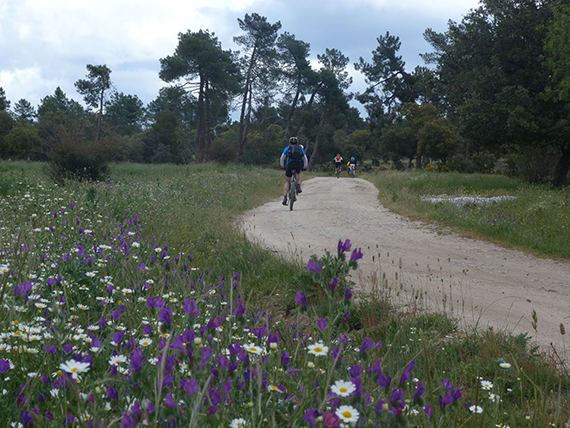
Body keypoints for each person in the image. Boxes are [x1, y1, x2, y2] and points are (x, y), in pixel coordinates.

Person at [280, 136, 308, 206]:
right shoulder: (300, 148)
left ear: (289, 143)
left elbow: (282, 157)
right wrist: (305, 165)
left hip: (290, 164)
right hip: (298, 164)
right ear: (297, 142)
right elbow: (305, 158)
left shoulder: (288, 148)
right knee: (298, 173)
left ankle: (285, 197)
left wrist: (282, 165)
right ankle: (298, 185)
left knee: (287, 182)